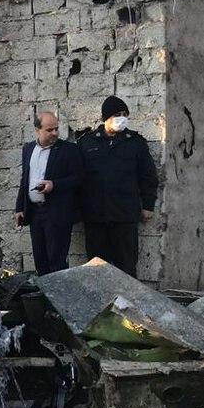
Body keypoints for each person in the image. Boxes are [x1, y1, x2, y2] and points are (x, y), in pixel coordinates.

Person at [77, 95, 159, 278]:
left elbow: (148, 176)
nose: (122, 118)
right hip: (96, 216)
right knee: (96, 269)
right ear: (106, 117)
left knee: (127, 267)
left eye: (124, 114)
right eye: (117, 115)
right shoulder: (87, 142)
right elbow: (78, 178)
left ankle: (126, 298)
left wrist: (148, 205)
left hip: (124, 216)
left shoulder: (135, 142)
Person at [13, 112, 84, 275]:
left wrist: (54, 185)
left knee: (56, 263)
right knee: (40, 261)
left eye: (56, 129)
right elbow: (25, 179)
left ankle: (58, 292)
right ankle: (43, 291)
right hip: (34, 212)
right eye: (49, 130)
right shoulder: (28, 149)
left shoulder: (68, 150)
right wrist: (19, 208)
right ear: (37, 130)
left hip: (57, 213)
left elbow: (78, 178)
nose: (55, 133)